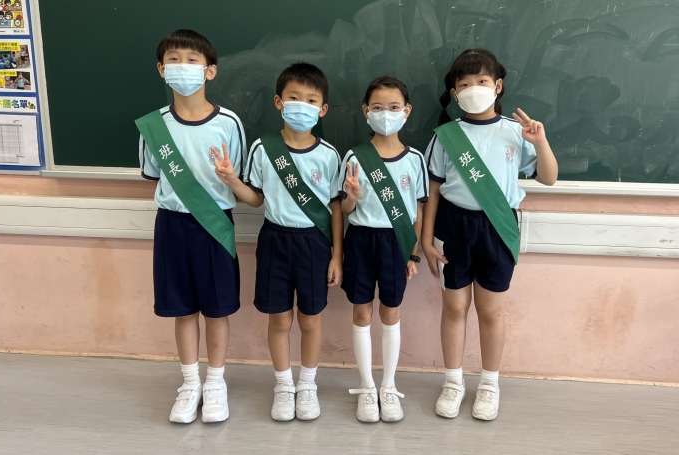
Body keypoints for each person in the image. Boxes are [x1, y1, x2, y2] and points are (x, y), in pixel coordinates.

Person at [422, 48, 558, 421]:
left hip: (498, 227)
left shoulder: (516, 132)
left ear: (497, 86)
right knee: (454, 308)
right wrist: (426, 241)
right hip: (454, 227)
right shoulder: (445, 137)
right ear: (454, 93)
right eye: (465, 83)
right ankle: (453, 382)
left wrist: (540, 141)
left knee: (491, 311)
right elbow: (433, 192)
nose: (474, 88)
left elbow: (548, 177)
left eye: (482, 80)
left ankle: (489, 384)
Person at [212, 62, 343, 422]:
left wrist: (337, 255)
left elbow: (336, 207)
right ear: (278, 102)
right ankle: (284, 386)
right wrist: (232, 181)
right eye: (293, 97)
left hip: (315, 243)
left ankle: (308, 385)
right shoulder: (263, 148)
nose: (302, 105)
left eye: (311, 100)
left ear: (323, 109)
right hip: (275, 240)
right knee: (280, 319)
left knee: (310, 320)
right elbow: (255, 199)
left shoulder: (329, 155)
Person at [135, 29, 246, 424]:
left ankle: (215, 382)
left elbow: (240, 181)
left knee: (216, 309)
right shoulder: (154, 126)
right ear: (161, 70)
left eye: (192, 60)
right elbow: (154, 176)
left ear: (210, 71)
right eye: (174, 60)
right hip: (172, 224)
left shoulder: (229, 123)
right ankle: (189, 383)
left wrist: (229, 178)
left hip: (214, 225)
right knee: (183, 309)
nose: (182, 67)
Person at [338, 76, 427, 423]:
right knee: (361, 314)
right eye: (378, 107)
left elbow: (417, 213)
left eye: (393, 107)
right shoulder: (355, 156)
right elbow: (345, 210)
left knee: (391, 313)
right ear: (366, 111)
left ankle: (388, 386)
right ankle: (366, 386)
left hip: (395, 244)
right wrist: (352, 198)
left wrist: (413, 254)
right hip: (360, 240)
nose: (385, 114)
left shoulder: (414, 159)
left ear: (406, 111)